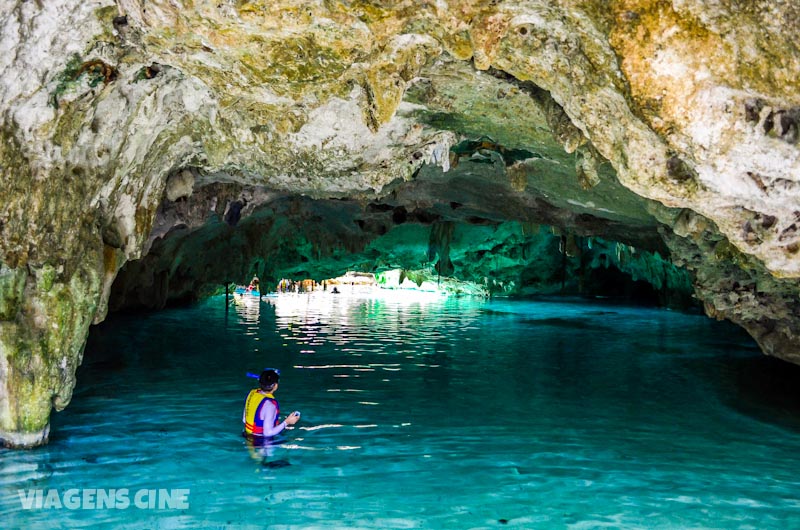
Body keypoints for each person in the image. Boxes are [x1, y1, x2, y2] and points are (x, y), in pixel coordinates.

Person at [242, 369, 300, 441]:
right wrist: (287, 422)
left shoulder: (251, 393)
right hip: (260, 442)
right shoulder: (270, 405)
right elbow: (268, 433)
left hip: (246, 435)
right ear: (275, 386)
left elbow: (244, 419)